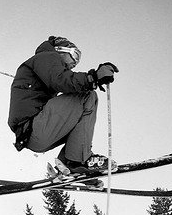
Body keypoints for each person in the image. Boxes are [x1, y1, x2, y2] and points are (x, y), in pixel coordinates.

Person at [8, 36, 118, 174]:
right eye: (75, 55)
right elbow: (60, 79)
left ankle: (71, 165)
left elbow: (62, 81)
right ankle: (77, 160)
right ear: (61, 49)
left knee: (78, 113)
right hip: (33, 127)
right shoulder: (47, 56)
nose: (75, 63)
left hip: (33, 135)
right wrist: (92, 78)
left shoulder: (45, 66)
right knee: (87, 96)